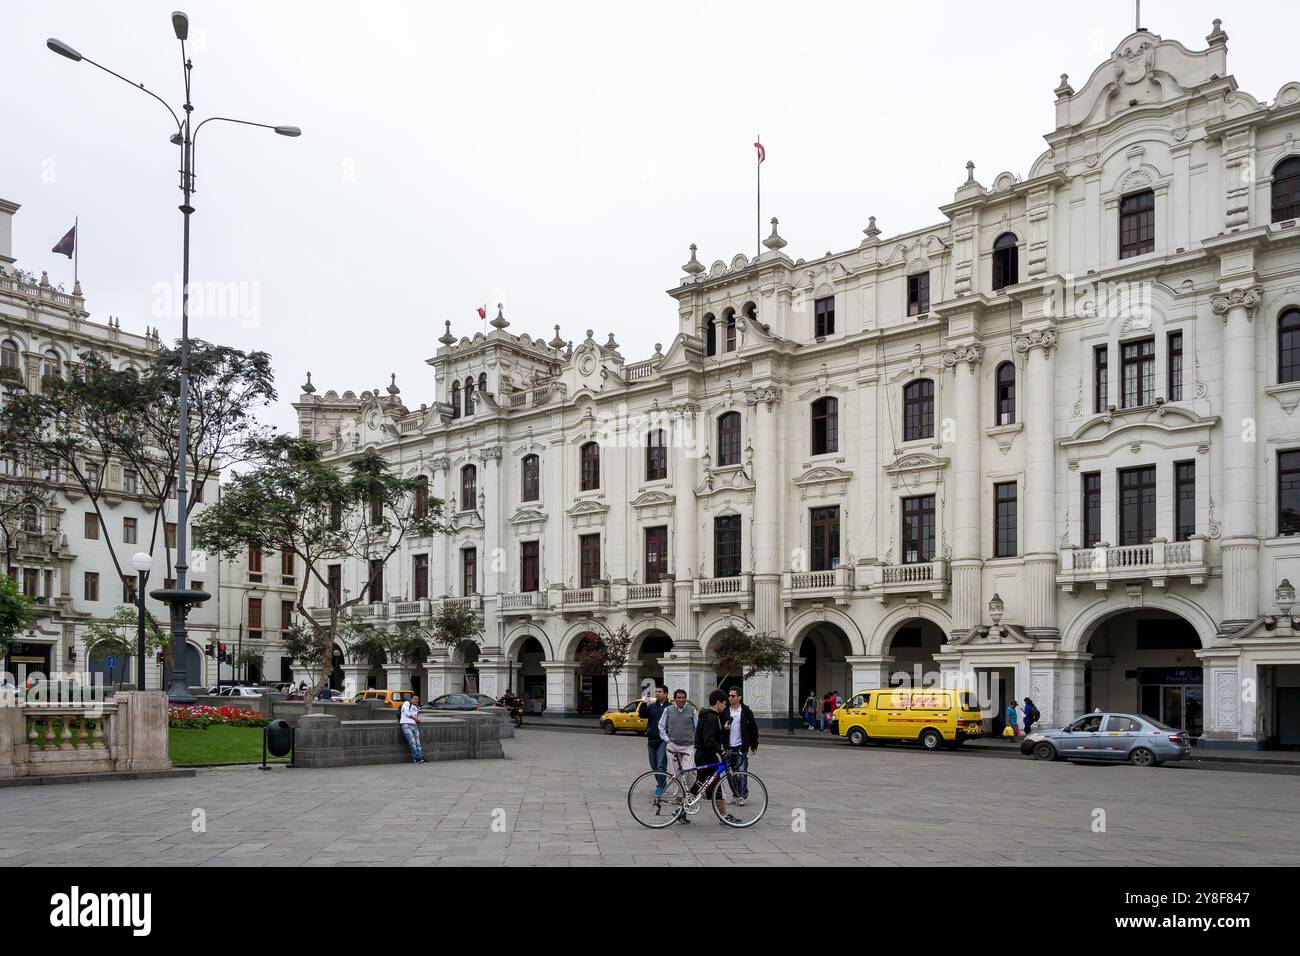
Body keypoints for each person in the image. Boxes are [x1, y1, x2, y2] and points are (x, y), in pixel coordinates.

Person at [690, 689, 739, 826]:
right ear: (718, 703)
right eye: (724, 704)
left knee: (706, 785)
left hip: (703, 754)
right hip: (706, 755)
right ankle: (723, 816)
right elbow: (709, 740)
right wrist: (721, 752)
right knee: (711, 785)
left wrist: (722, 730)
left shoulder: (706, 715)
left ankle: (681, 811)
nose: (725, 707)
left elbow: (710, 736)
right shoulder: (712, 717)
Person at [658, 688, 697, 820]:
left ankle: (687, 792)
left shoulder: (691, 710)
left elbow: (697, 726)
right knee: (676, 773)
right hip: (673, 745)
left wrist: (696, 741)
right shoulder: (668, 710)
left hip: (688, 746)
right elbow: (661, 725)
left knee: (690, 771)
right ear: (674, 699)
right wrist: (666, 739)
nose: (681, 700)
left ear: (685, 698)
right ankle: (679, 796)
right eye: (678, 698)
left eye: (683, 698)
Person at [725, 686, 760, 805]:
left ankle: (742, 796)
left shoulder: (746, 711)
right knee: (730, 773)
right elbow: (718, 728)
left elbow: (753, 729)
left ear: (739, 697)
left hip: (741, 746)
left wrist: (754, 744)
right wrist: (723, 728)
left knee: (741, 772)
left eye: (733, 696)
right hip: (728, 747)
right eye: (729, 695)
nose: (730, 698)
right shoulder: (725, 711)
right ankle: (735, 794)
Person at [638, 685, 669, 795]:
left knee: (661, 764)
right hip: (651, 739)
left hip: (663, 740)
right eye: (656, 691)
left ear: (665, 694)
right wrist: (644, 702)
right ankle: (661, 784)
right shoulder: (651, 706)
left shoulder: (669, 707)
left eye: (659, 691)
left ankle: (661, 786)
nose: (657, 693)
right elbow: (642, 714)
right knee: (654, 766)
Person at [399, 693, 426, 763]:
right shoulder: (406, 703)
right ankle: (416, 758)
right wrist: (416, 720)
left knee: (418, 742)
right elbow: (407, 713)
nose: (416, 700)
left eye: (417, 699)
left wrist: (416, 721)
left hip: (414, 725)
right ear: (411, 699)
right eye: (414, 699)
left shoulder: (417, 707)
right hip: (406, 724)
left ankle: (421, 757)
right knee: (412, 742)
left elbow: (416, 716)